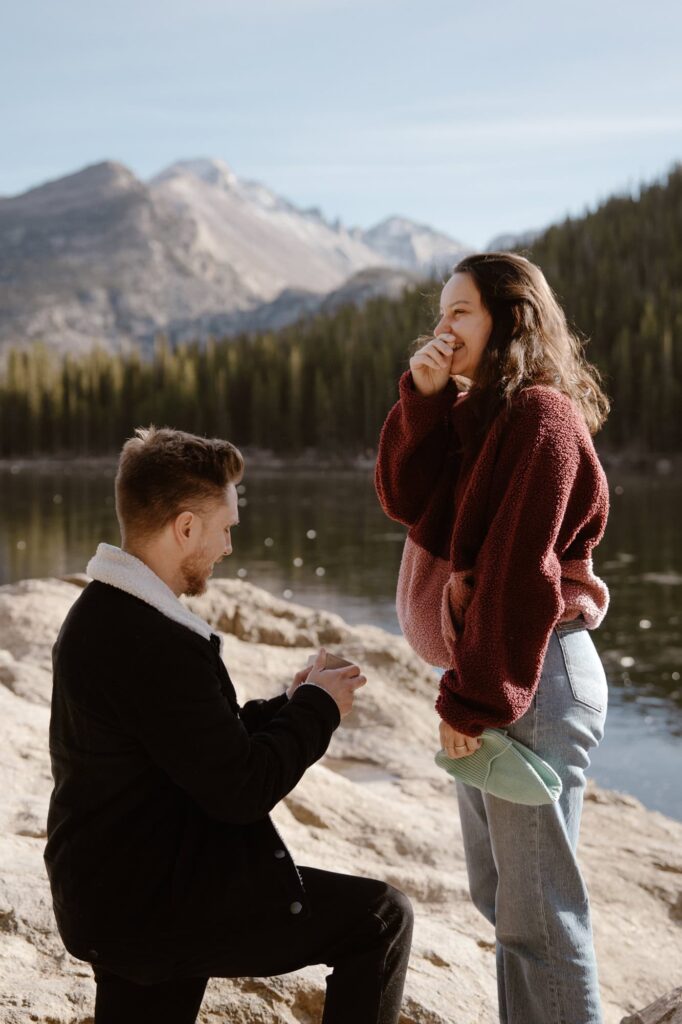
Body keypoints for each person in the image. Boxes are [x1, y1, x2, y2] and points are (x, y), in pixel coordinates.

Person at [45, 426, 413, 1024]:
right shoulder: (151, 641)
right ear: (186, 527)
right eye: (225, 528)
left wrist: (293, 703)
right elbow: (241, 788)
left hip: (112, 890)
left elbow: (194, 742)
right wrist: (319, 711)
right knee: (380, 919)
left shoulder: (104, 613)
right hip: (156, 904)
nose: (228, 547)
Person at [375, 252, 610, 1024]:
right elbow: (404, 497)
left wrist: (471, 700)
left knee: (539, 917)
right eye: (439, 312)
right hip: (507, 676)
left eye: (460, 312)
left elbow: (519, 572)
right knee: (504, 901)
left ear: (512, 318)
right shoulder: (481, 416)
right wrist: (424, 399)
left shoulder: (543, 416)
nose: (442, 327)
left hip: (533, 676)